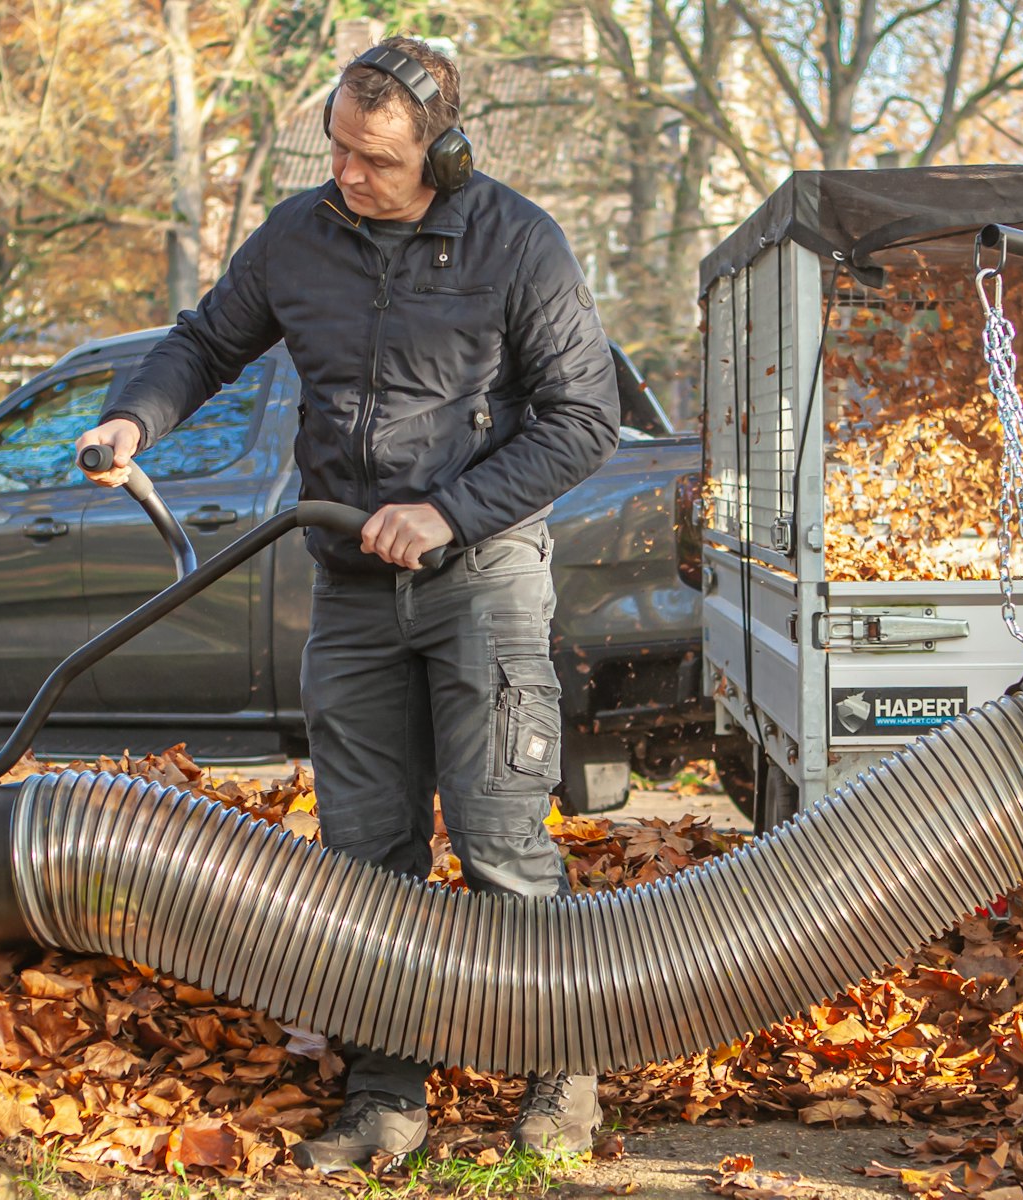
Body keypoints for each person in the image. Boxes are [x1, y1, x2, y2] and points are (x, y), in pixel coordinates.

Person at [72, 36, 618, 1173]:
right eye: (336, 147)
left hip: (483, 582)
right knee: (364, 855)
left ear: (445, 156)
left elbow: (582, 421)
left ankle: (558, 1080)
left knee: (503, 838)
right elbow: (207, 342)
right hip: (353, 591)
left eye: (373, 158)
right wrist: (133, 422)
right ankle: (384, 1099)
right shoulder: (297, 234)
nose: (349, 175)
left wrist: (451, 512)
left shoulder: (518, 242)